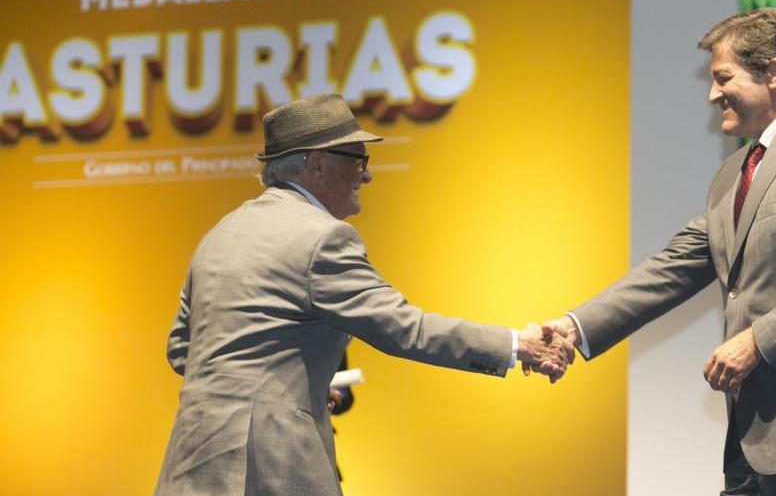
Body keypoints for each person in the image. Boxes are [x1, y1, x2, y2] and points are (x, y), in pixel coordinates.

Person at [544, 8, 776, 495]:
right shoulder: (733, 173)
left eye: (723, 78)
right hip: (751, 442)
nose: (712, 94)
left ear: (773, 73)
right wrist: (574, 328)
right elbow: (670, 269)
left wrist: (758, 340)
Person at [155, 93, 573, 496]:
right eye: (358, 158)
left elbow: (181, 351)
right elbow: (405, 329)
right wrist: (519, 346)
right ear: (316, 163)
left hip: (189, 464)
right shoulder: (322, 239)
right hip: (271, 470)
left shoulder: (219, 234)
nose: (367, 174)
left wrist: (280, 387)